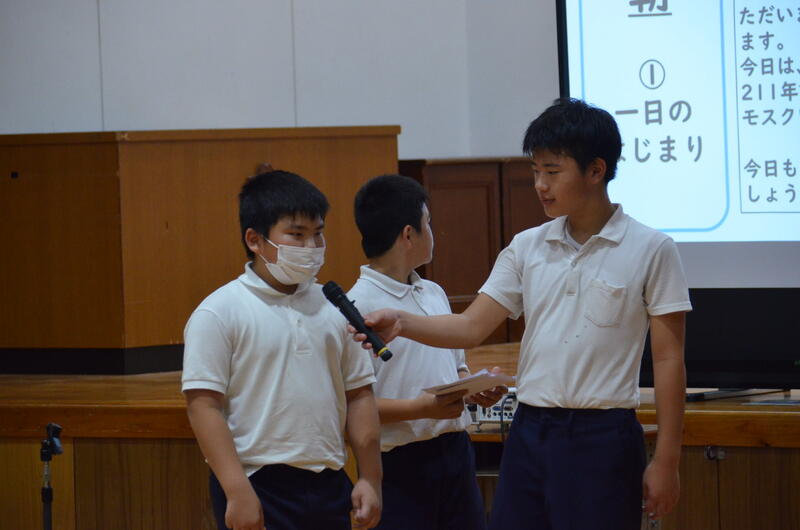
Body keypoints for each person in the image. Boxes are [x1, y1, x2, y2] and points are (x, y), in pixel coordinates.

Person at [353, 98, 692, 530]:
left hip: (603, 435)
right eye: (535, 171)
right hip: (530, 430)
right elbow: (470, 326)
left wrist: (667, 460)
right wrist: (402, 323)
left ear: (595, 170)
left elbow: (668, 359)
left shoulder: (652, 249)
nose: (540, 185)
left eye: (552, 171)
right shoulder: (527, 246)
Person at [182, 170, 382, 530]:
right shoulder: (219, 312)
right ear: (255, 240)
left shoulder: (334, 306)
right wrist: (236, 489)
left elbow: (360, 393)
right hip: (256, 484)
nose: (311, 246)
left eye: (318, 233)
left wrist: (370, 477)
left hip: (328, 482)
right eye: (296, 234)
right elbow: (203, 405)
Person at [348, 174, 505, 530]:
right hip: (399, 464)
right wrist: (420, 408)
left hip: (456, 452)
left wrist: (472, 387)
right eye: (428, 223)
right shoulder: (357, 307)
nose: (433, 232)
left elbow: (456, 367)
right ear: (409, 235)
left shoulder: (433, 292)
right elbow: (350, 407)